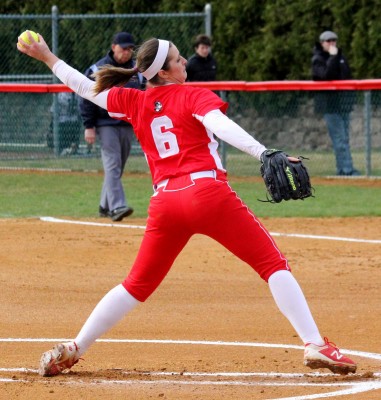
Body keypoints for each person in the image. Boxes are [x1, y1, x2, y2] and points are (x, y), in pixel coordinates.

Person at [17, 32, 357, 377]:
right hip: (208, 195)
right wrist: (263, 151)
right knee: (272, 264)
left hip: (165, 203)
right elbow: (220, 125)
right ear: (163, 72)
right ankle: (314, 342)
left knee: (136, 285)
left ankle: (76, 347)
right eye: (178, 59)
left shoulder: (135, 101)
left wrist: (47, 56)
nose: (184, 63)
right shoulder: (192, 94)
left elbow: (82, 86)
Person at [80, 32, 145, 222]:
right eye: (124, 48)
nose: (127, 52)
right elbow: (86, 98)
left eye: (130, 49)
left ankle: (104, 205)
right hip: (105, 123)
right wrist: (88, 126)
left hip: (127, 124)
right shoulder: (98, 68)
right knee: (113, 165)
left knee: (117, 167)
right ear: (113, 46)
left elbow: (141, 98)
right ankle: (117, 207)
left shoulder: (136, 71)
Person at [312, 30, 360, 176]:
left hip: (343, 104)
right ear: (322, 43)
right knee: (339, 139)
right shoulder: (318, 59)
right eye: (329, 41)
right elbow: (327, 75)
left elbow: (347, 77)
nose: (332, 43)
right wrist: (332, 57)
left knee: (344, 138)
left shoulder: (341, 57)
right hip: (330, 106)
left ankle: (344, 168)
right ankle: (346, 170)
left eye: (334, 41)